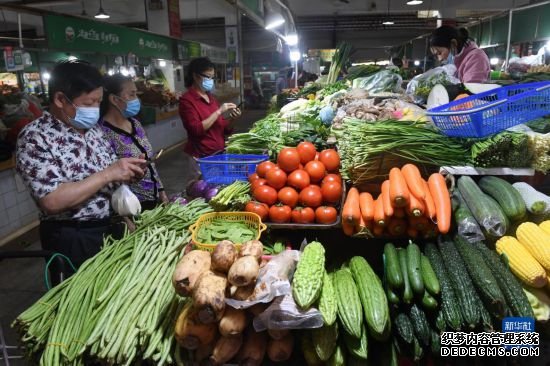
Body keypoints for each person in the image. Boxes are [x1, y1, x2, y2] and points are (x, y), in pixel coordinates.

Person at [16, 60, 146, 283]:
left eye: (98, 102)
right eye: (89, 102)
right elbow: (52, 201)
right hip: (73, 238)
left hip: (111, 228)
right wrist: (109, 173)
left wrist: (127, 174)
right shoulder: (35, 138)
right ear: (59, 99)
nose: (95, 109)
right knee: (82, 303)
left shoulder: (93, 131)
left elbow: (108, 179)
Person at [100, 74, 168, 210]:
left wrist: (161, 191)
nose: (136, 99)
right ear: (114, 99)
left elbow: (149, 162)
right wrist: (125, 219)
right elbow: (107, 182)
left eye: (136, 94)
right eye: (131, 95)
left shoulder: (135, 124)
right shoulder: (102, 133)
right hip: (130, 205)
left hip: (153, 200)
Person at [179, 57, 241, 158]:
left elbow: (223, 128)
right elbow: (196, 130)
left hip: (218, 154)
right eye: (208, 77)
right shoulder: (187, 101)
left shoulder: (211, 98)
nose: (211, 81)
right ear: (195, 76)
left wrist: (233, 118)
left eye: (213, 77)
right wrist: (219, 111)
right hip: (201, 157)